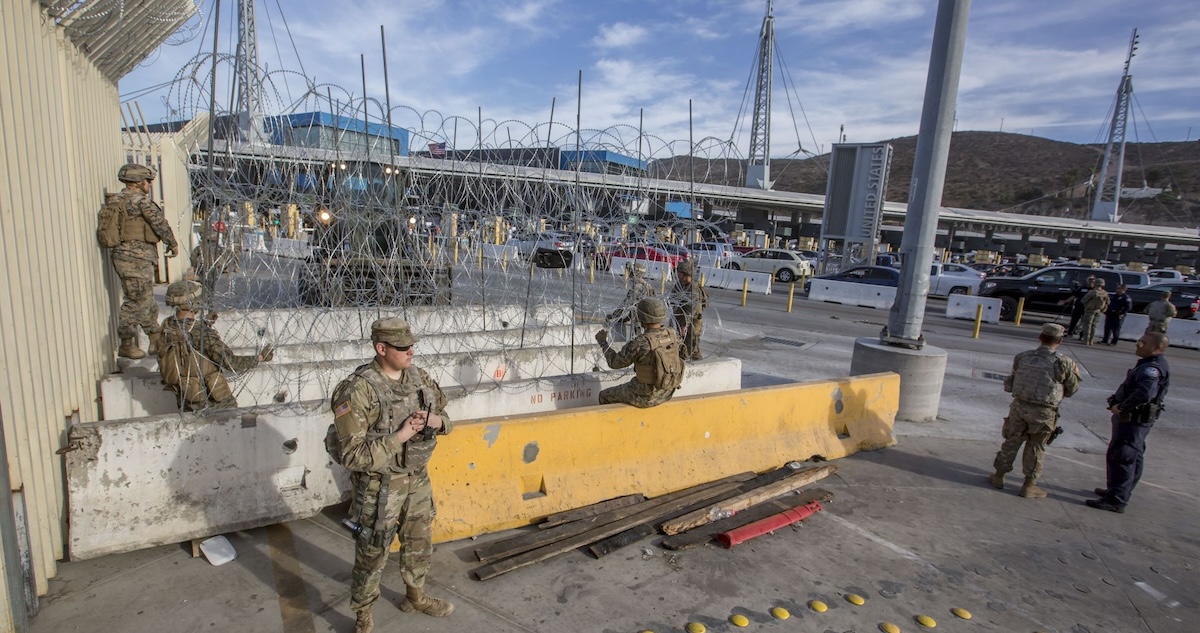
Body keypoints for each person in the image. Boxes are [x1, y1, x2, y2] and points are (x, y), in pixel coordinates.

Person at [330, 318, 454, 633]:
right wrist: (399, 436)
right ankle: (363, 617)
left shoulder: (420, 378)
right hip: (379, 487)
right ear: (381, 348)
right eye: (402, 347)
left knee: (419, 542)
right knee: (372, 555)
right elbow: (351, 455)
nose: (411, 351)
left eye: (412, 345)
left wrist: (436, 422)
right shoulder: (359, 390)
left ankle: (416, 596)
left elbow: (446, 418)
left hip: (417, 479)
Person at [988, 323, 1081, 498]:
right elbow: (1072, 389)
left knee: (1012, 441)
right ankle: (1029, 485)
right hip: (1044, 412)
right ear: (1060, 340)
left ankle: (999, 476)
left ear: (1040, 337)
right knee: (1036, 446)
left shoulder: (1023, 357)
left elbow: (1012, 382)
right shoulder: (1064, 362)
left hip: (1019, 407)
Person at [156, 280, 273, 411]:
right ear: (191, 303)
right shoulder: (201, 333)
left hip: (186, 395)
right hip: (211, 397)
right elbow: (231, 363)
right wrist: (261, 357)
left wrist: (205, 324)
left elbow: (186, 343)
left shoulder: (167, 327)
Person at [1087, 332, 1170, 513]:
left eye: (1143, 343)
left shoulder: (1152, 368)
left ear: (1156, 348)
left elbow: (1145, 394)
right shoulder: (1148, 364)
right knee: (1133, 455)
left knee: (1124, 456)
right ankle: (1118, 491)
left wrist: (1122, 407)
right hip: (1135, 421)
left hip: (1133, 420)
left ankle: (1116, 500)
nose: (1138, 344)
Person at [107, 164, 179, 359]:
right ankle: (127, 342)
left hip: (124, 255)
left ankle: (154, 338)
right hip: (136, 257)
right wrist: (172, 243)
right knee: (136, 301)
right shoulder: (140, 202)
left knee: (145, 298)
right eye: (148, 181)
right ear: (138, 182)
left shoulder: (116, 200)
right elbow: (159, 223)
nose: (149, 185)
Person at [595, 298, 685, 408]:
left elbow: (614, 362)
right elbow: (682, 355)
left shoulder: (640, 342)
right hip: (667, 391)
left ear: (642, 317)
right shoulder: (672, 335)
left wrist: (603, 342)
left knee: (604, 396)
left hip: (646, 396)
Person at [670, 260, 708, 360]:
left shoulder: (693, 289)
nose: (677, 275)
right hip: (682, 320)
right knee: (682, 346)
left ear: (685, 274)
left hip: (692, 321)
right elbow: (672, 298)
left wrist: (684, 325)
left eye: (679, 273)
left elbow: (692, 309)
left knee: (692, 346)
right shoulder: (680, 285)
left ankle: (697, 367)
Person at [607, 263, 655, 339]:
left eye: (631, 272)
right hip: (648, 318)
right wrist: (626, 319)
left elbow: (627, 304)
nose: (629, 274)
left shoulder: (637, 287)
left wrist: (614, 316)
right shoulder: (647, 285)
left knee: (637, 338)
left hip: (639, 320)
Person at [1079, 278, 1110, 345]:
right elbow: (1108, 302)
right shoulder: (1105, 293)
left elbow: (1083, 300)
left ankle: (1086, 340)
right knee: (1094, 325)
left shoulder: (1092, 292)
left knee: (1087, 325)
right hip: (1099, 311)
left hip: (1090, 310)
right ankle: (1091, 340)